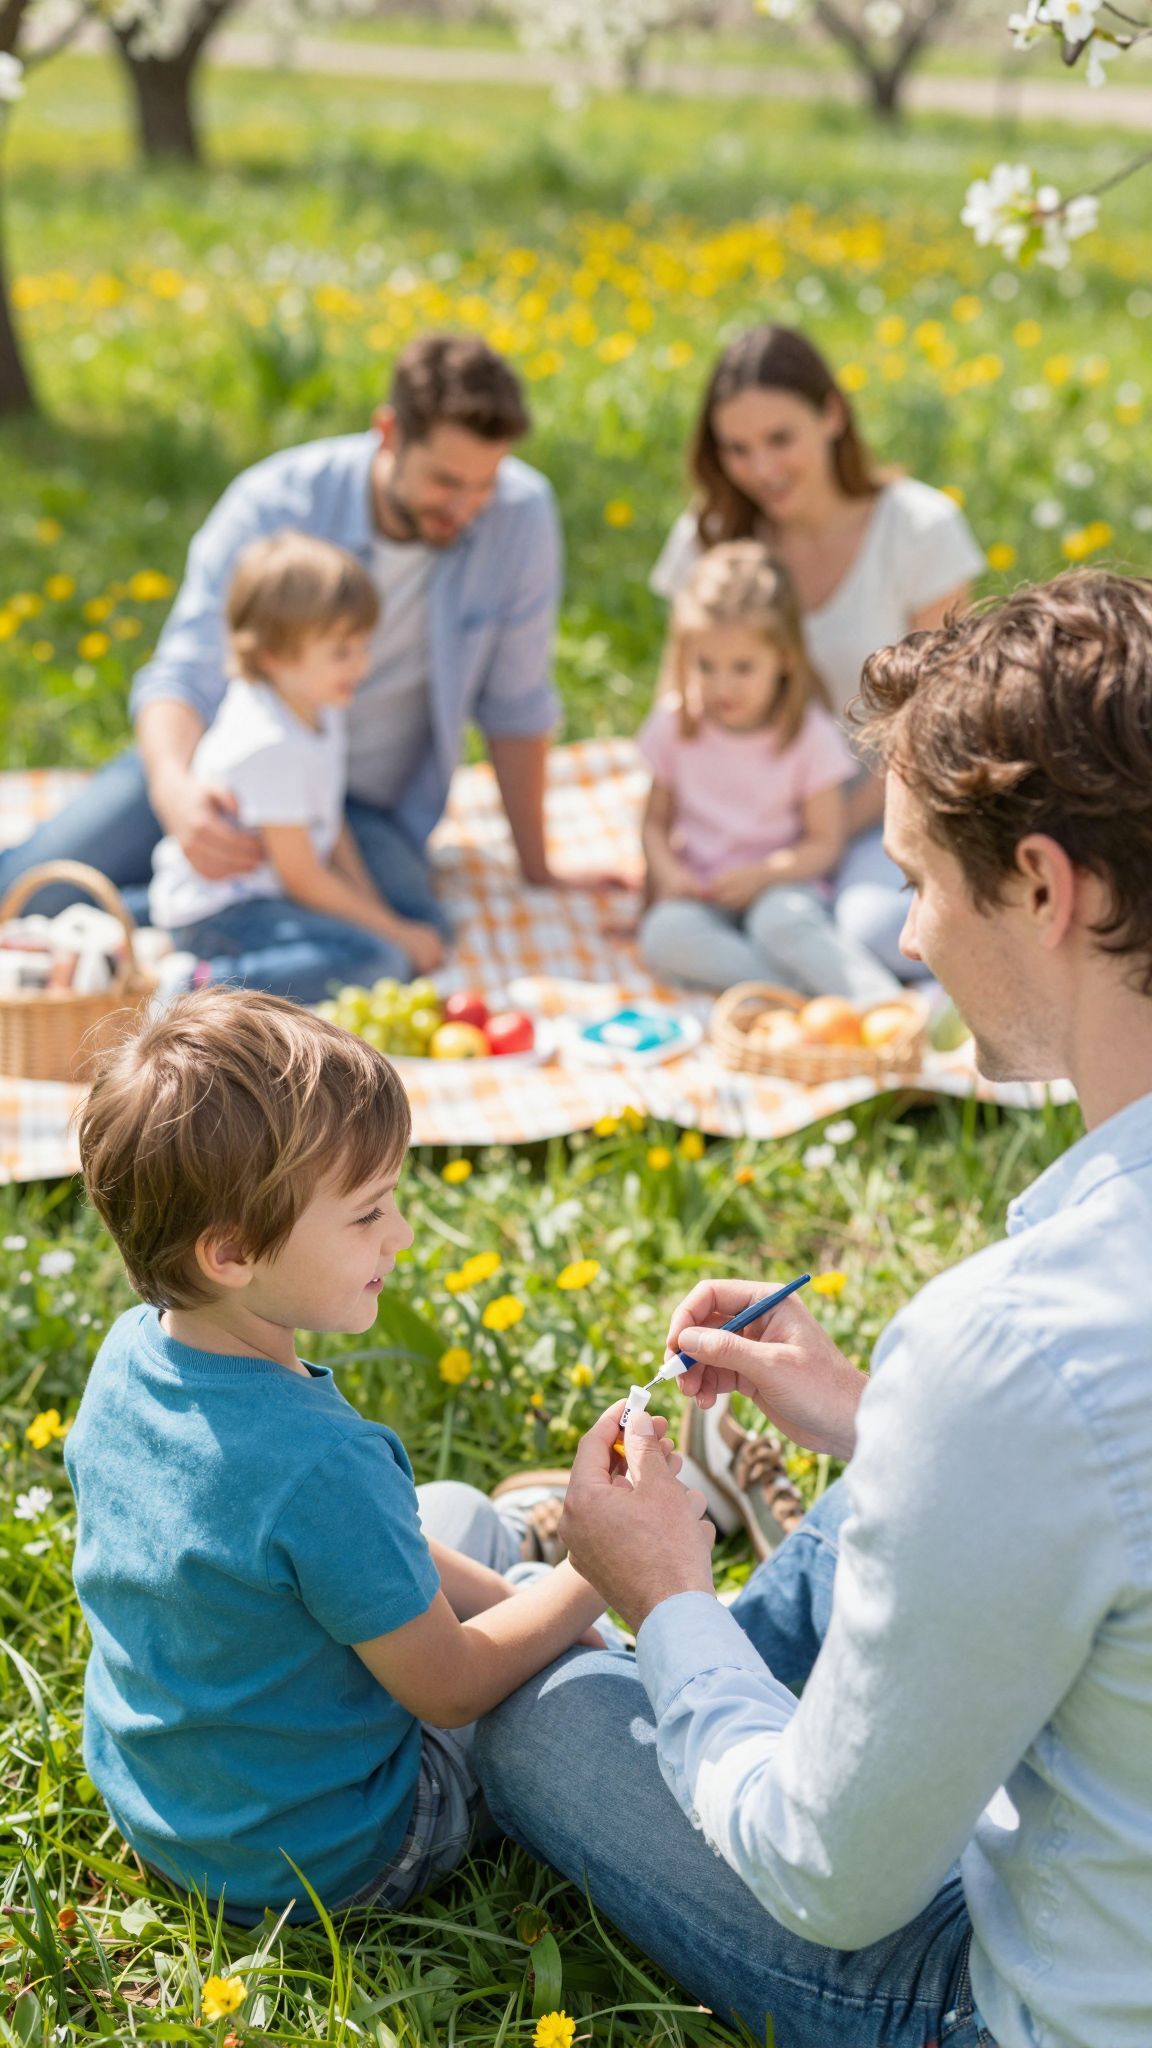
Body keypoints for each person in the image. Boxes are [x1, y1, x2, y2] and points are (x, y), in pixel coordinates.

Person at [475, 570, 1152, 2048]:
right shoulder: (1038, 1355)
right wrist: (874, 1419)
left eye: (916, 882)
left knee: (525, 1717)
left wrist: (664, 1605)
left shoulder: (1024, 1346)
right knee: (899, 1488)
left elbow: (827, 1875)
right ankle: (681, 1610)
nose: (907, 941)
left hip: (1037, 1999)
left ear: (1043, 885)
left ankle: (593, 1605)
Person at [64, 988, 651, 1923]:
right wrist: (595, 1576)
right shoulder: (320, 1464)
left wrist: (527, 1603)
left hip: (185, 1815)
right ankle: (596, 1583)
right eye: (369, 1213)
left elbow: (361, 1551)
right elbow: (451, 1690)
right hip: (337, 1851)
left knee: (448, 1511)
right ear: (233, 1251)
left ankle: (525, 1543)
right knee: (561, 1691)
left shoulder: (130, 1358)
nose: (403, 1236)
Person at [1, 334, 586, 922]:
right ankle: (128, 911)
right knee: (29, 890)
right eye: (445, 483)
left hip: (356, 814)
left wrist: (540, 872)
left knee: (404, 930)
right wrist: (177, 794)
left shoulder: (520, 517)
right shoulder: (276, 503)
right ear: (388, 434)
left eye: (485, 484)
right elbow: (184, 674)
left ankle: (144, 918)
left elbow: (517, 708)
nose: (467, 507)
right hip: (224, 775)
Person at [650, 324, 984, 980]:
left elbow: (934, 726)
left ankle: (822, 960)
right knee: (681, 931)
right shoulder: (710, 536)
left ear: (831, 414)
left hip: (885, 798)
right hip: (743, 802)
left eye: (780, 439)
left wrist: (816, 836)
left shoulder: (919, 529)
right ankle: (797, 984)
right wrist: (692, 844)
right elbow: (678, 696)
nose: (762, 469)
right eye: (737, 449)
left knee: (883, 934)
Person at [149, 531, 444, 1003]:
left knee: (403, 933)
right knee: (379, 961)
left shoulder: (317, 701)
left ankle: (145, 926)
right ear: (274, 656)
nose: (361, 665)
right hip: (223, 916)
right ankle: (194, 988)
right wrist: (395, 935)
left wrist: (378, 911)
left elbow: (330, 821)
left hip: (264, 894)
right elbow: (302, 878)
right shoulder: (271, 743)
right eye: (342, 652)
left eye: (363, 645)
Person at [638, 540, 900, 1002]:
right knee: (663, 935)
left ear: (783, 658)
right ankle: (795, 993)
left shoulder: (807, 735)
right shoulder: (675, 725)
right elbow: (654, 823)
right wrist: (667, 871)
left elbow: (825, 842)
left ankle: (882, 1005)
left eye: (742, 667)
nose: (723, 685)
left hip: (782, 887)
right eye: (706, 665)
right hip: (704, 891)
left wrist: (764, 874)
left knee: (781, 924)